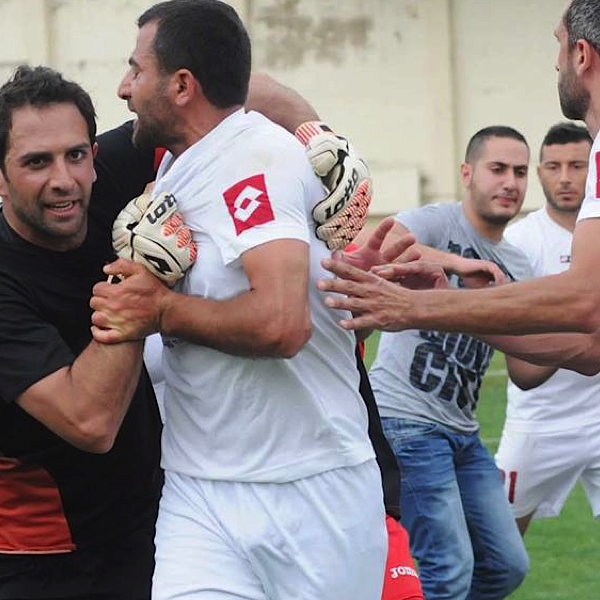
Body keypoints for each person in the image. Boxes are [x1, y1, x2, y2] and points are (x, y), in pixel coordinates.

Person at [319, 1, 600, 598]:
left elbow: (582, 297)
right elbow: (592, 344)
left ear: (582, 55)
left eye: (558, 45)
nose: (555, 62)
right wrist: (450, 300)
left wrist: (410, 310)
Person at [91, 1, 387, 597]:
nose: (124, 88)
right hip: (198, 490)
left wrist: (162, 311)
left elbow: (282, 324)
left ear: (182, 86)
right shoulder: (178, 167)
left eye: (136, 70)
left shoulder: (256, 159)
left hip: (313, 492)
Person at [0, 65, 171, 599]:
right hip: (31, 556)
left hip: (140, 528)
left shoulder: (99, 179)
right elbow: (91, 422)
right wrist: (145, 267)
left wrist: (314, 137)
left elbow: (218, 89)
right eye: (36, 162)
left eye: (76, 155)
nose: (63, 179)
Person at [363, 126, 531, 600]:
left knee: (506, 565)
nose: (510, 182)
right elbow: (382, 242)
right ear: (467, 173)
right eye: (497, 169)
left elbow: (526, 372)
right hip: (407, 422)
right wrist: (458, 265)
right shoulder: (440, 223)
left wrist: (579, 341)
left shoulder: (517, 265)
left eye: (520, 172)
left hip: (463, 432)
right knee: (449, 569)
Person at [495, 122, 600, 551]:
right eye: (554, 167)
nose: (565, 178)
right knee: (500, 545)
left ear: (597, 169)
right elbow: (521, 361)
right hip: (539, 417)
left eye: (577, 166)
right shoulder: (520, 241)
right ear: (539, 173)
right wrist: (582, 329)